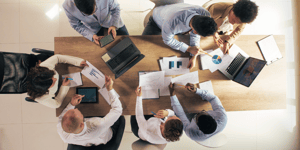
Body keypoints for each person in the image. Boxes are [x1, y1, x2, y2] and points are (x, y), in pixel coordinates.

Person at [142, 3, 217, 69]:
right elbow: (168, 40)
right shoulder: (171, 23)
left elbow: (195, 35)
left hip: (174, 14)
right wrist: (188, 48)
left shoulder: (205, 14)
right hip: (157, 20)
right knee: (145, 48)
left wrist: (193, 55)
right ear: (194, 31)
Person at [57, 75, 123, 146]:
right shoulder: (97, 124)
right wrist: (110, 89)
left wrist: (72, 104)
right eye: (76, 111)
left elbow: (61, 118)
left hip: (88, 141)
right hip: (105, 136)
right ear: (82, 124)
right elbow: (118, 110)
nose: (76, 108)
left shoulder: (63, 134)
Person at [63, 0, 129, 45]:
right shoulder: (67, 6)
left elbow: (116, 8)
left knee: (128, 42)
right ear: (75, 5)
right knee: (101, 50)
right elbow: (76, 25)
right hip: (94, 28)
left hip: (111, 20)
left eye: (95, 10)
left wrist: (114, 25)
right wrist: (91, 35)